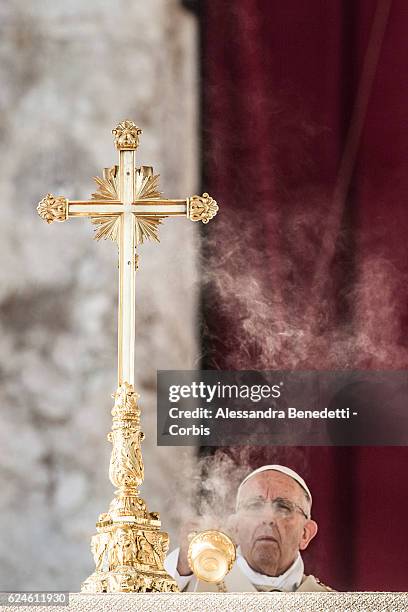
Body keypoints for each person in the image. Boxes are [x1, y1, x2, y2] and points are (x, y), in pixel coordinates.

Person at [164, 465, 333, 592]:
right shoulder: (190, 584)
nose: (268, 518)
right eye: (254, 506)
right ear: (235, 527)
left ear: (305, 534)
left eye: (283, 507)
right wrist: (182, 565)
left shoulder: (332, 604)